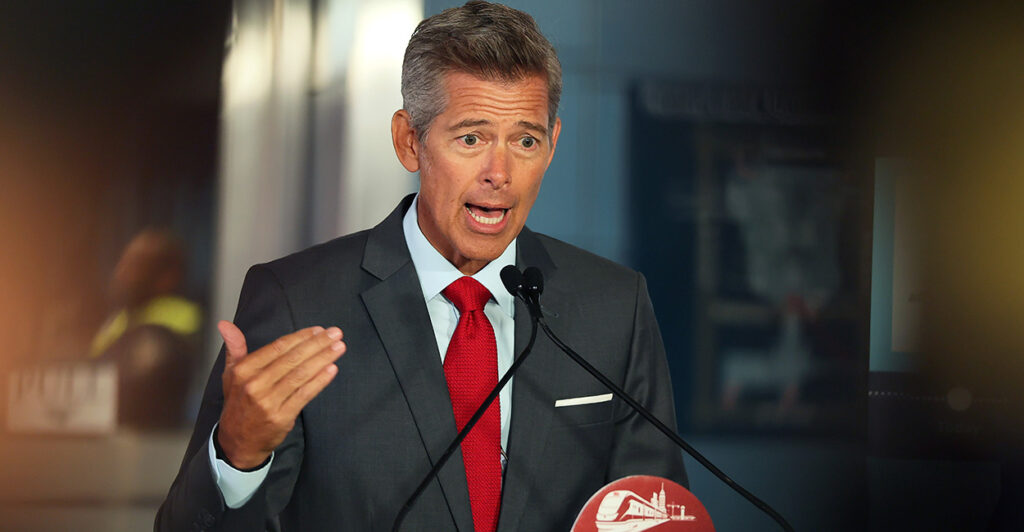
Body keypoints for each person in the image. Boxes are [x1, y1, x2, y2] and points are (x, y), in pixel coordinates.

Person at [156, 2, 685, 531]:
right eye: (471, 138)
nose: (499, 173)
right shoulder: (298, 300)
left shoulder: (614, 306)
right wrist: (238, 456)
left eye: (526, 140)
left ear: (552, 145)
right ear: (409, 142)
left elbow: (659, 513)